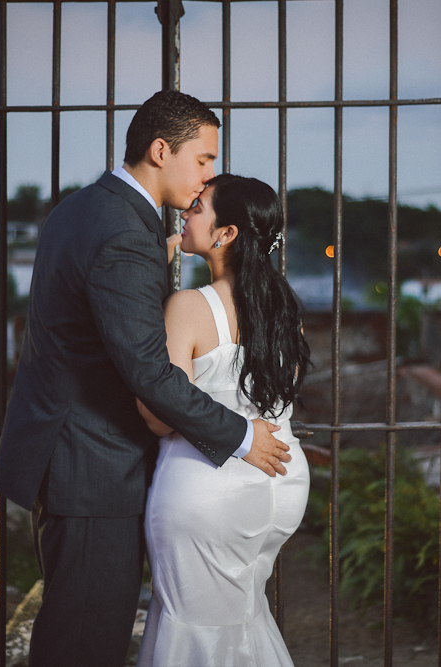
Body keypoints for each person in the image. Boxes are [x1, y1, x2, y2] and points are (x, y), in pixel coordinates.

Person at [0, 90, 293, 667]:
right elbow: (148, 371)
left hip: (71, 456)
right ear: (161, 150)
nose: (209, 176)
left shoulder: (88, 208)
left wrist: (160, 252)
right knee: (84, 645)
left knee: (79, 632)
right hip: (92, 468)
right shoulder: (126, 235)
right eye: (203, 160)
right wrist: (243, 436)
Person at [135, 174, 311, 666]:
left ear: (226, 233)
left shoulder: (190, 307)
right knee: (243, 621)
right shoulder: (284, 309)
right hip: (281, 484)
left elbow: (157, 417)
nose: (184, 213)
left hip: (208, 493)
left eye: (197, 207)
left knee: (194, 631)